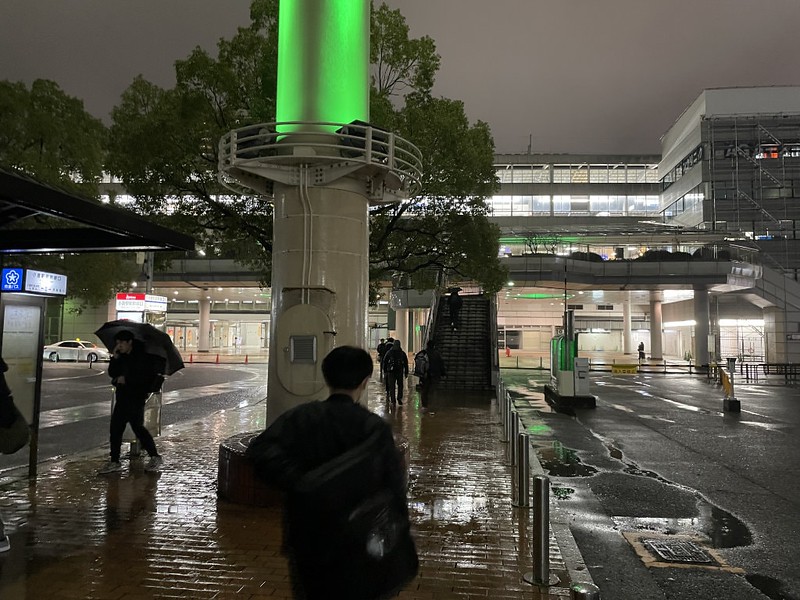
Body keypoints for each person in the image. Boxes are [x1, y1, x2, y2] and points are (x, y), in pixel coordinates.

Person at [246, 346, 418, 599]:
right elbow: (394, 487)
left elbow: (259, 452)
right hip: (359, 537)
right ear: (365, 381)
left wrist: (300, 481)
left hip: (307, 532)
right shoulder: (374, 428)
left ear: (326, 378)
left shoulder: (302, 417)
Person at [98, 330, 164, 474]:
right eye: (117, 343)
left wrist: (127, 380)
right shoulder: (121, 357)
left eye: (121, 343)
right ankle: (115, 461)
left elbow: (145, 378)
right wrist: (114, 358)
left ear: (130, 343)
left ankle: (155, 456)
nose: (119, 346)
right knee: (116, 429)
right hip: (123, 397)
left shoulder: (142, 358)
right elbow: (112, 373)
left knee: (138, 428)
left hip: (136, 397)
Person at [417, 340, 446, 410]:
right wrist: (443, 373)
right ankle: (432, 406)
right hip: (435, 375)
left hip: (425, 376)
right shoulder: (437, 354)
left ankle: (424, 406)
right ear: (434, 346)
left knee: (424, 391)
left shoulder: (423, 353)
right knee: (433, 390)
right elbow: (441, 364)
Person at [382, 339, 409, 406]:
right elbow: (406, 363)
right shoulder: (401, 353)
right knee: (398, 386)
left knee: (393, 386)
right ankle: (397, 399)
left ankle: (394, 400)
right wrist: (406, 372)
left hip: (393, 372)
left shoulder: (390, 352)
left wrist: (385, 371)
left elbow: (385, 362)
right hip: (397, 372)